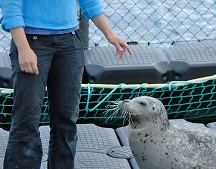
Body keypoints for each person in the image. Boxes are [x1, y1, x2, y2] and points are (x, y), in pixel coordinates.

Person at [1, 0, 133, 168]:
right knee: (26, 120)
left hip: (70, 44)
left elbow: (89, 1)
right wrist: (23, 48)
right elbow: (10, 4)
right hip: (31, 42)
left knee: (66, 121)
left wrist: (110, 34)